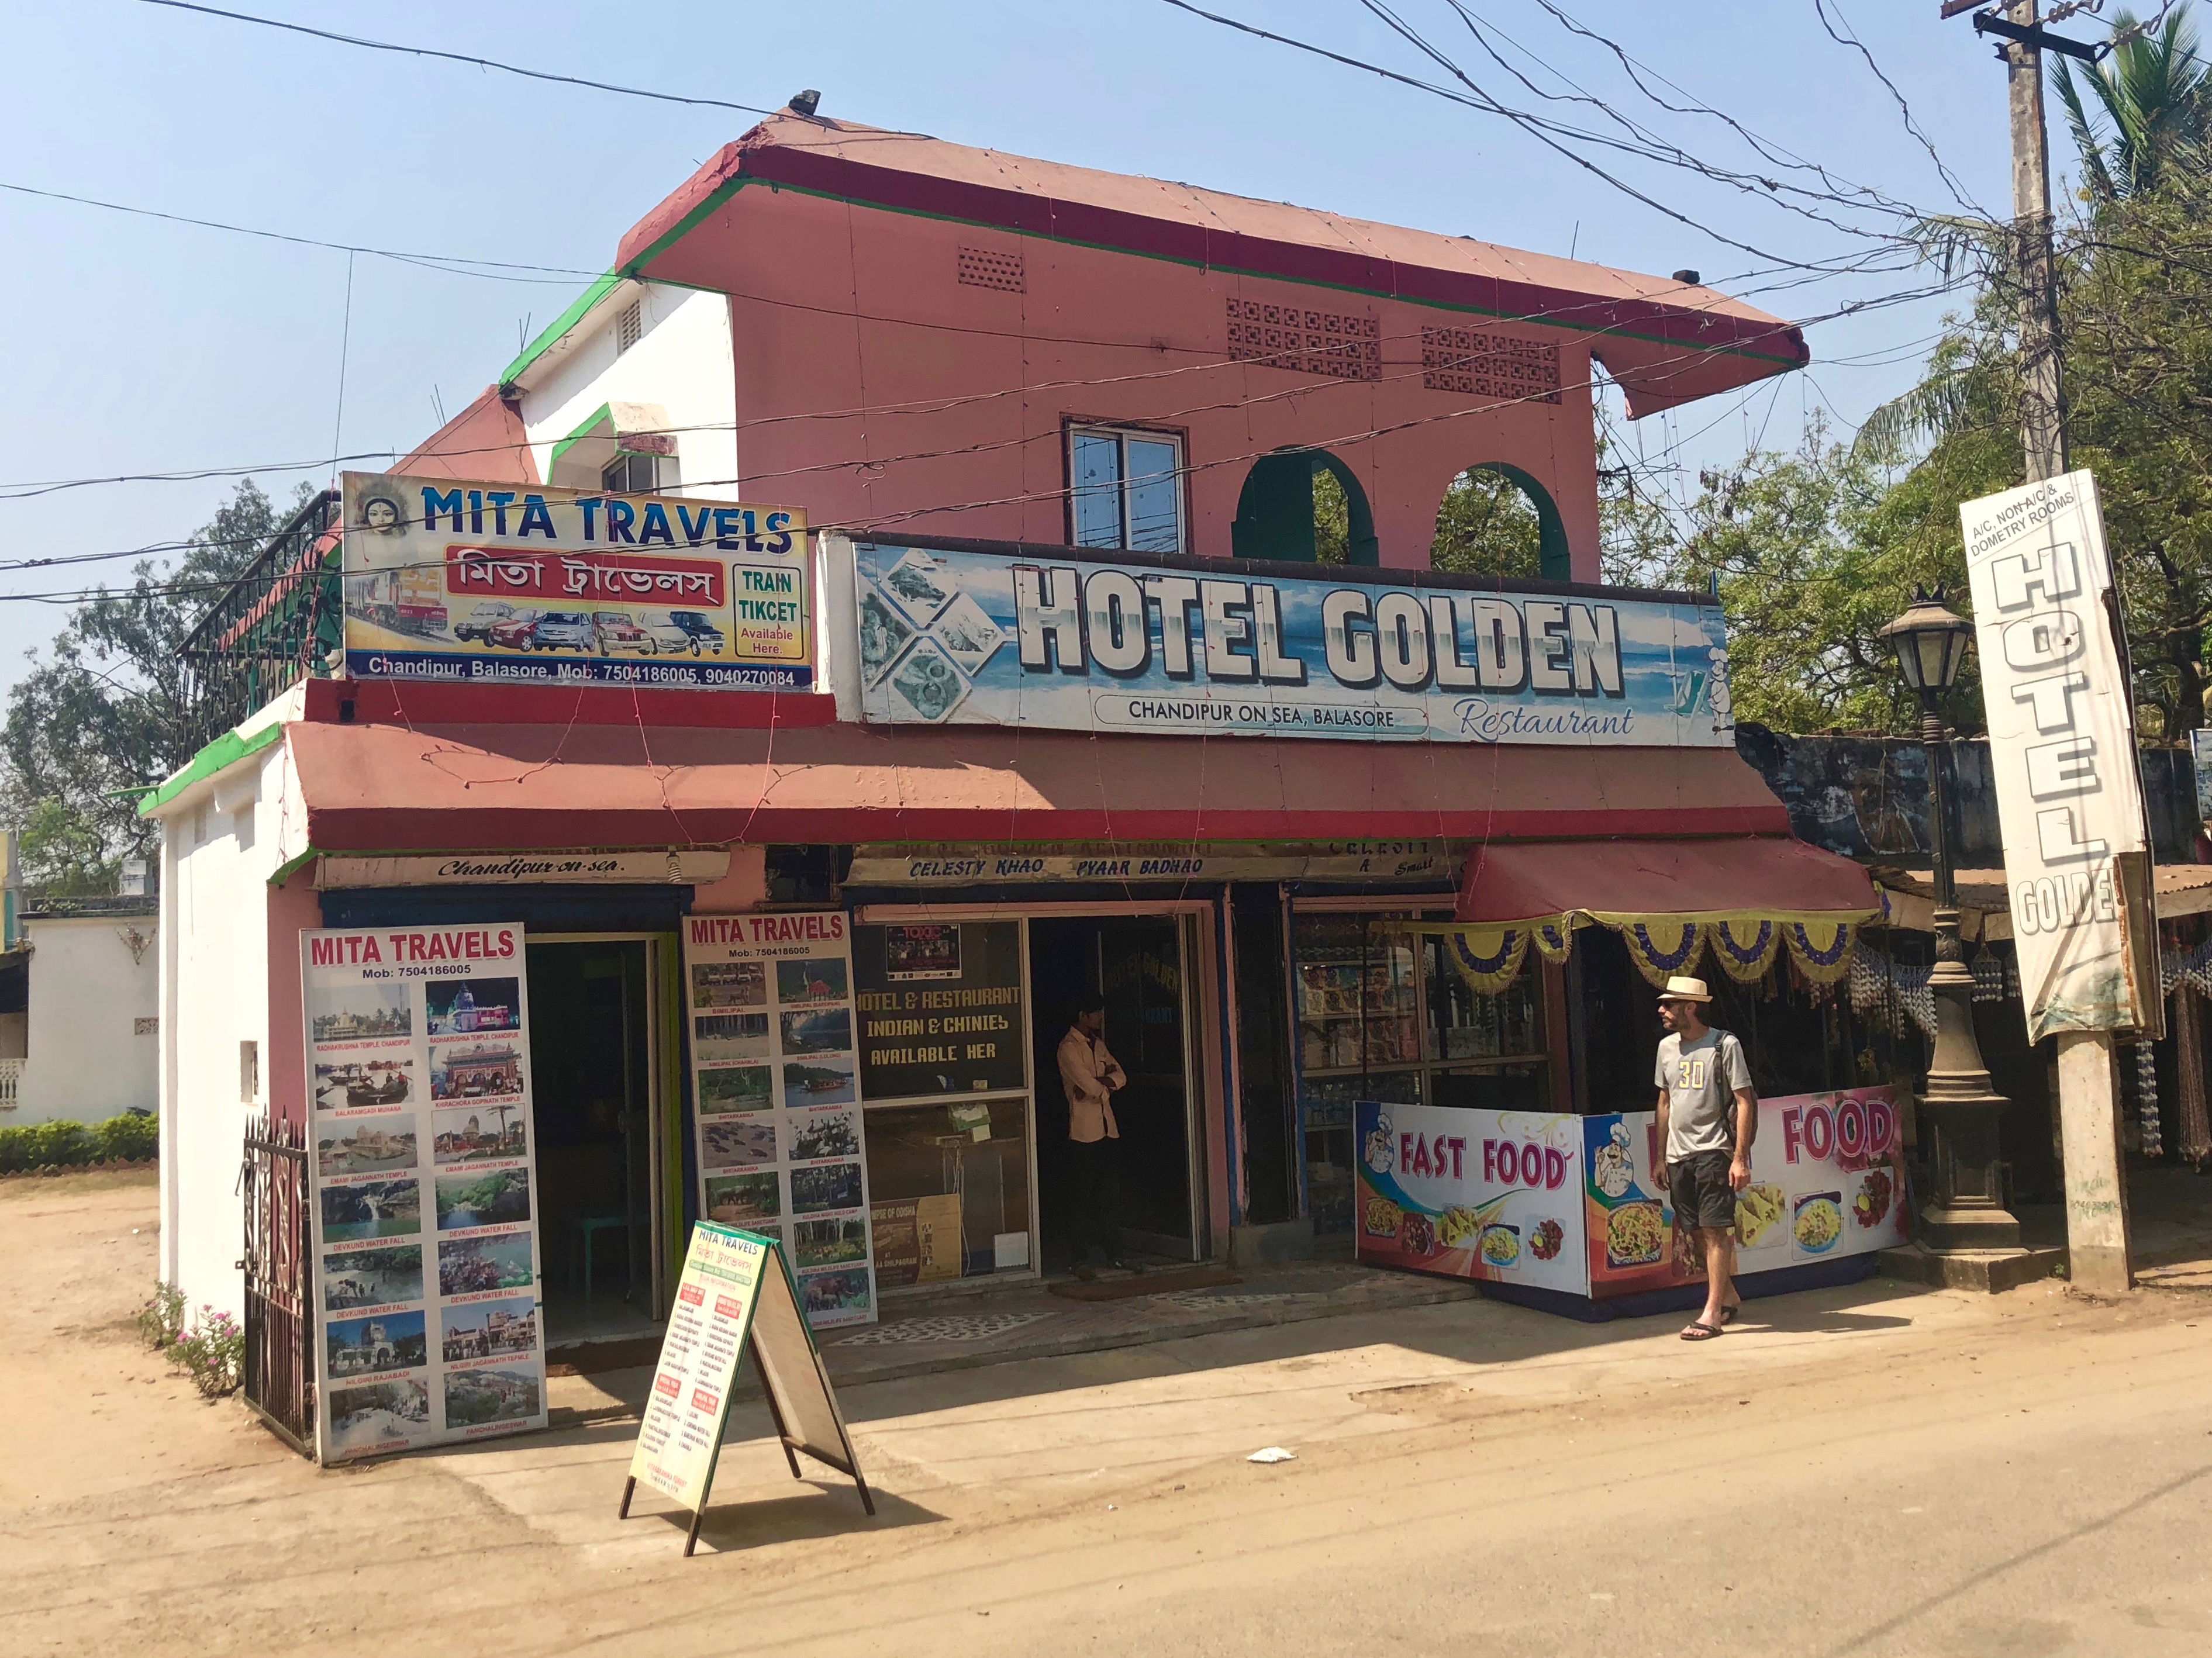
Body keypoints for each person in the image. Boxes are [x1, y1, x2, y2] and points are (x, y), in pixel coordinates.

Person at [1651, 975, 1755, 1341]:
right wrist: (1661, 1157)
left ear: (1690, 1007)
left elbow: (1745, 1100)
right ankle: (1727, 1295)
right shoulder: (1666, 1048)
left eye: (1669, 1004)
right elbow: (1664, 1103)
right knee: (1693, 1230)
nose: (1662, 1011)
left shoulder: (1723, 1045)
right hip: (1678, 1155)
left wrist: (1740, 1157)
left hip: (1714, 1150)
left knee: (1715, 1231)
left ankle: (1711, 1312)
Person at [1057, 996, 1127, 1276]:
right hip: (1084, 1132)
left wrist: (1099, 1085)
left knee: (1110, 1195)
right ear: (1082, 1015)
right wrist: (1100, 1084)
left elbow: (1121, 1075)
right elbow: (1088, 1086)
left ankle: (1115, 1254)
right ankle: (1079, 1257)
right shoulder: (1068, 1048)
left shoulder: (1098, 1045)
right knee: (1083, 1197)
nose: (1100, 1018)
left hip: (1108, 1128)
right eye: (1096, 1013)